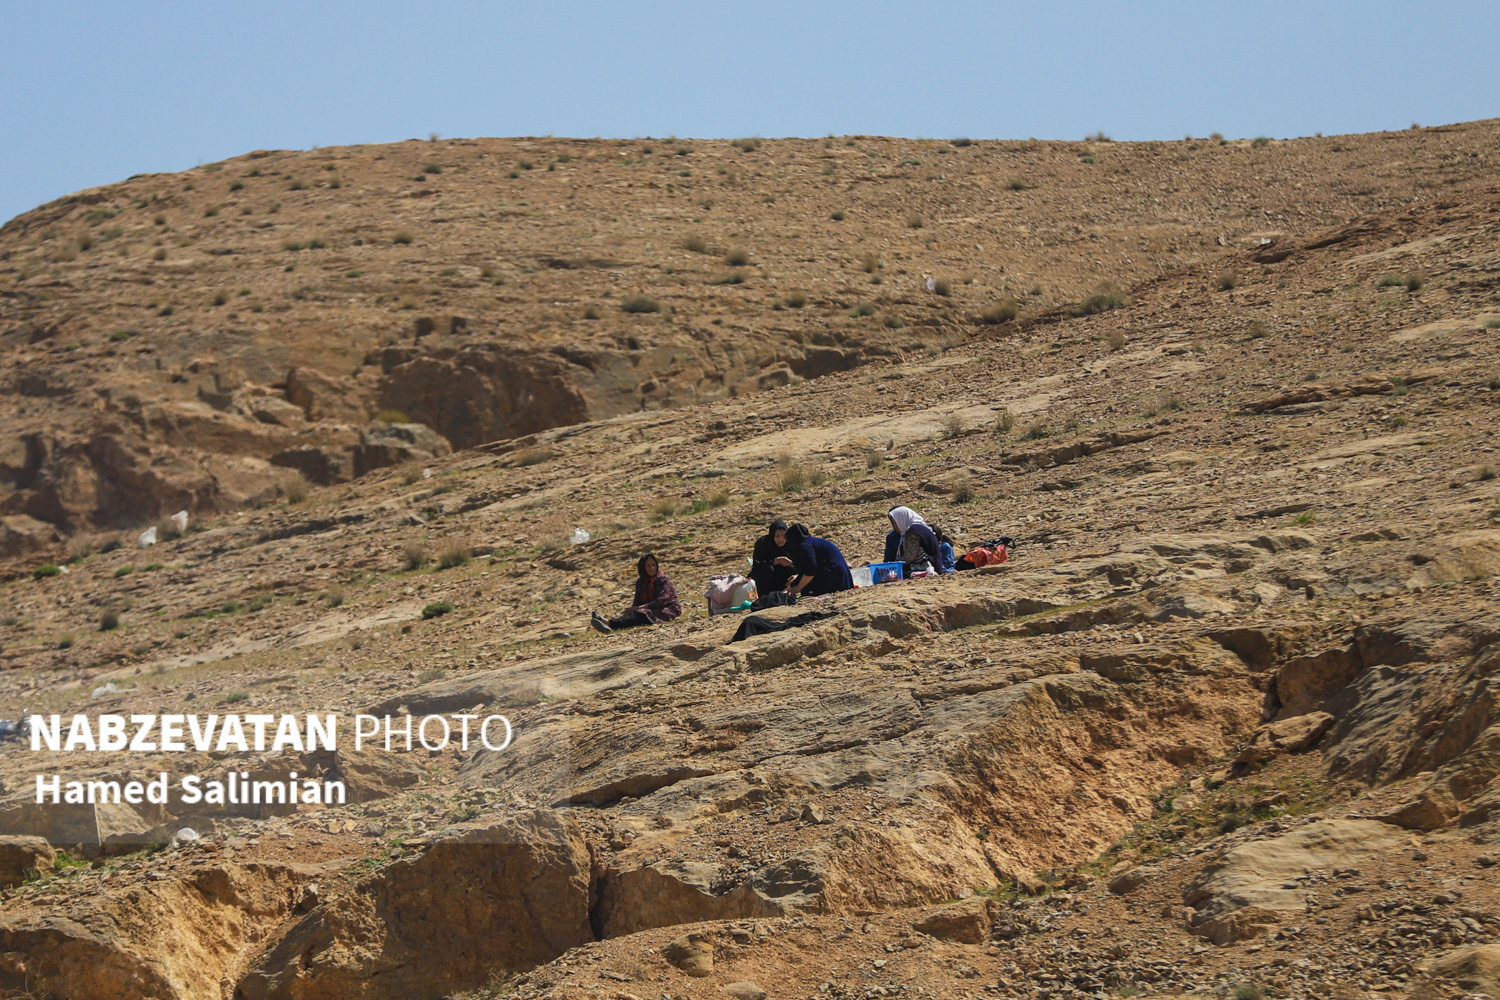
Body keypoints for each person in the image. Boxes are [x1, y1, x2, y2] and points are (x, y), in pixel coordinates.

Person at [591, 553, 681, 633]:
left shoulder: (663, 579)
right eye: (648, 566)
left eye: (654, 565)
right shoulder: (641, 582)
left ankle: (608, 622)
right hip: (650, 610)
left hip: (667, 609)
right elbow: (637, 601)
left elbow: (663, 600)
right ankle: (611, 624)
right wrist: (632, 610)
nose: (652, 568)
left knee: (641, 614)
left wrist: (640, 608)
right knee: (635, 615)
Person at [784, 523, 853, 597]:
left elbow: (811, 570)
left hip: (834, 577)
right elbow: (806, 572)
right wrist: (789, 589)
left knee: (808, 591)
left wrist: (797, 588)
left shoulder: (805, 545)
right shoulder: (812, 541)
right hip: (842, 577)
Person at [883, 506, 942, 575]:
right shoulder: (918, 528)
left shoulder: (912, 532)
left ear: (901, 520)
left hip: (925, 567)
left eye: (894, 523)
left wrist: (894, 565)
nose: (894, 527)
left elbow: (909, 557)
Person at [750, 519, 796, 596]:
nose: (781, 539)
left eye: (783, 535)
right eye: (777, 536)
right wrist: (776, 561)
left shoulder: (790, 544)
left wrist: (797, 576)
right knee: (767, 568)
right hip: (764, 579)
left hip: (782, 579)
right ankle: (763, 596)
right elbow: (758, 563)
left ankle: (785, 593)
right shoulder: (763, 543)